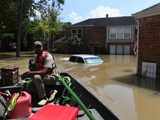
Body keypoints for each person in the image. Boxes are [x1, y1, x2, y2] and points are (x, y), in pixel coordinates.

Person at [24, 41, 56, 105]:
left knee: (36, 77)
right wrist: (31, 66)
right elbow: (33, 69)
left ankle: (43, 98)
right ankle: (32, 99)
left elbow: (44, 71)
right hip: (41, 76)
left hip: (50, 77)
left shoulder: (48, 56)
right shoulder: (35, 57)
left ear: (42, 47)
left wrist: (30, 73)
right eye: (36, 47)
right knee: (28, 85)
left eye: (39, 47)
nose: (37, 49)